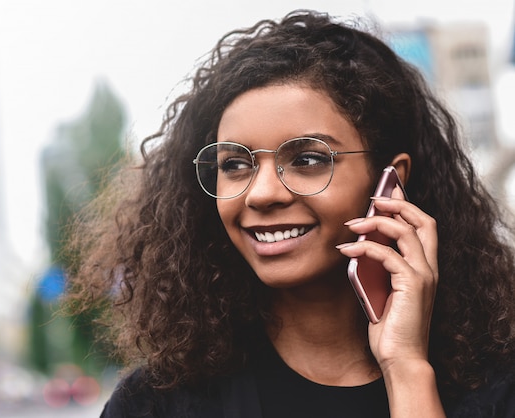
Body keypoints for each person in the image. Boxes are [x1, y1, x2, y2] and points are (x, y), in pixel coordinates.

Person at [64, 10, 515, 417]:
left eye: (307, 159)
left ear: (389, 181)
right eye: (235, 164)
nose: (260, 194)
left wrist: (406, 368)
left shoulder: (496, 386)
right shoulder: (159, 403)